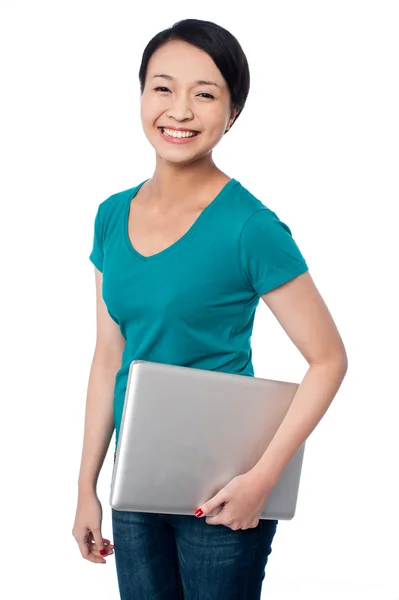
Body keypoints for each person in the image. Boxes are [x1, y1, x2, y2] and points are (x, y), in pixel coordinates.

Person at [72, 18, 348, 600]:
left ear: (232, 113)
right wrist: (86, 487)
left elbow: (328, 360)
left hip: (227, 489)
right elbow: (107, 359)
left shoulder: (250, 227)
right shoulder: (110, 217)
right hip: (135, 481)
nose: (180, 111)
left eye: (205, 94)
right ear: (141, 95)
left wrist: (262, 480)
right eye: (162, 88)